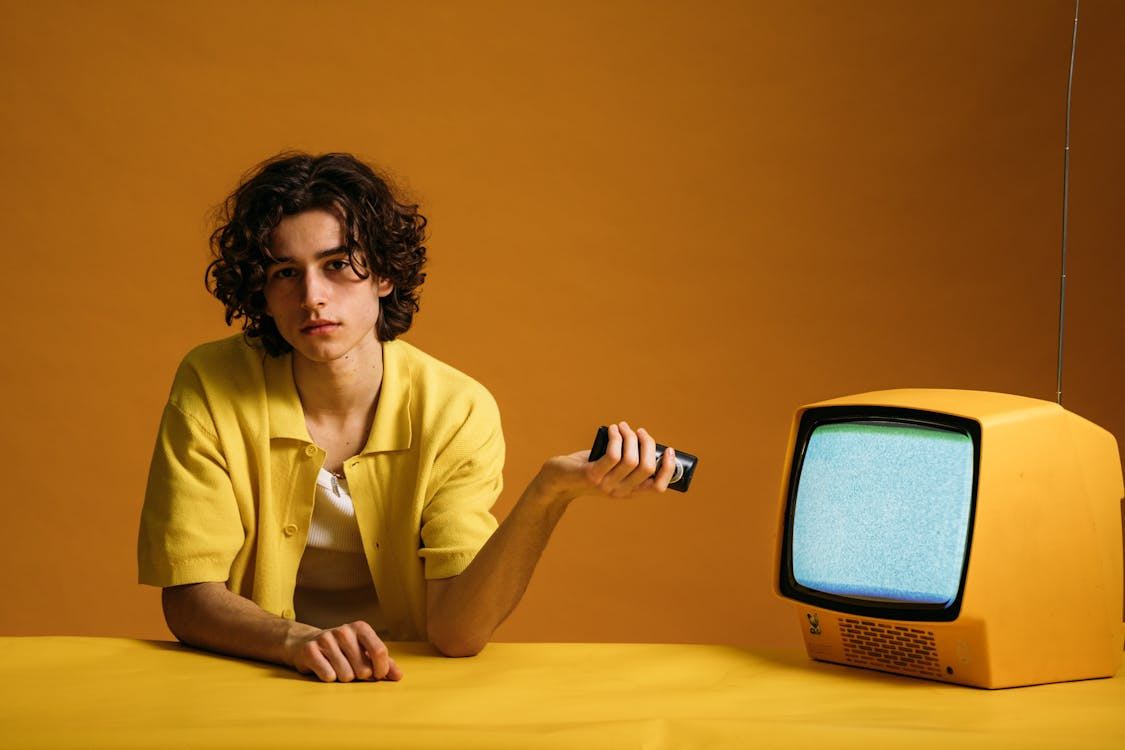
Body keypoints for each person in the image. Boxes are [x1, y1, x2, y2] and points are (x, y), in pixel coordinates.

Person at [137, 151, 678, 683]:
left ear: (384, 275)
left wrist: (549, 493)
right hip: (256, 680)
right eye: (285, 272)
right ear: (264, 292)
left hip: (403, 688)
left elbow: (457, 634)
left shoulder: (456, 409)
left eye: (337, 264)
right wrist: (297, 642)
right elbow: (190, 598)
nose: (313, 297)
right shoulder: (211, 383)